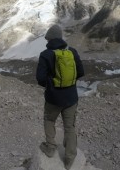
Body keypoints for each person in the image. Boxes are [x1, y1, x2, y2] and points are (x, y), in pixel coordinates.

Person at [36, 24, 84, 170]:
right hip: (71, 98)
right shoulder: (72, 51)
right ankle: (70, 158)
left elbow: (40, 78)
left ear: (49, 39)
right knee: (70, 126)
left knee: (49, 119)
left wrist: (52, 84)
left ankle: (50, 147)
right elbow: (81, 72)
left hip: (53, 98)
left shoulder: (46, 54)